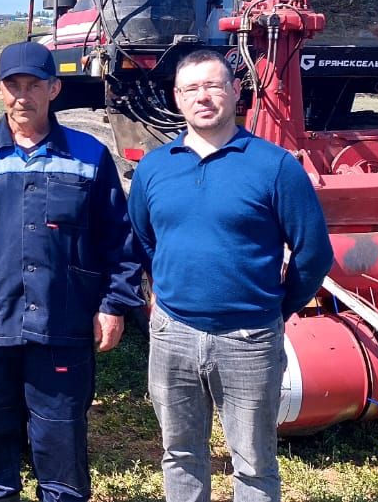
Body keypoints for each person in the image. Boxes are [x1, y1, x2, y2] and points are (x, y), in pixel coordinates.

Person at [0, 42, 142, 502]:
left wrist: (114, 305)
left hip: (63, 325)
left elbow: (119, 240)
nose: (22, 96)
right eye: (13, 86)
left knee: (61, 443)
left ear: (54, 88)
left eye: (34, 85)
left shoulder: (90, 156)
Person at [128, 50, 333, 502]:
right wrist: (164, 293)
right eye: (191, 89)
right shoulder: (154, 168)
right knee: (179, 453)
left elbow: (313, 253)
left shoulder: (274, 167)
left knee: (254, 464)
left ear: (235, 92)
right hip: (172, 336)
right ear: (177, 99)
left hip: (250, 340)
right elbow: (142, 241)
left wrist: (273, 308)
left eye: (213, 86)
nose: (203, 97)